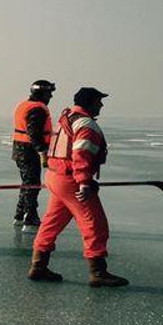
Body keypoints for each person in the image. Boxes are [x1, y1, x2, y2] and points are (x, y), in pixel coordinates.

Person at [28, 87, 129, 287]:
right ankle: (98, 272)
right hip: (70, 180)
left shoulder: (68, 118)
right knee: (95, 223)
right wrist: (84, 182)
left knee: (52, 222)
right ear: (90, 103)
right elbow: (80, 154)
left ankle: (38, 267)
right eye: (99, 101)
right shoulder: (86, 124)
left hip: (55, 176)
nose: (101, 105)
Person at [12, 80, 55, 233]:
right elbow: (34, 133)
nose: (50, 96)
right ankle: (30, 217)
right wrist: (42, 152)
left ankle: (19, 215)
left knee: (27, 183)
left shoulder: (24, 105)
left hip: (20, 149)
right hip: (29, 151)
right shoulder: (37, 109)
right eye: (49, 93)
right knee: (32, 184)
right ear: (42, 93)